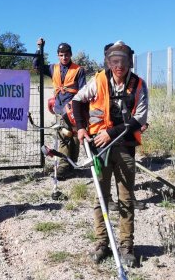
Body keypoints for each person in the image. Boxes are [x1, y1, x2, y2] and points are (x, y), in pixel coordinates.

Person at [71, 40, 148, 267]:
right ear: (108, 62)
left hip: (124, 147)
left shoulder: (139, 85)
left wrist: (110, 132)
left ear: (129, 62)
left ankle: (126, 247)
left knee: (126, 199)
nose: (118, 66)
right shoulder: (99, 80)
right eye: (114, 61)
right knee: (101, 198)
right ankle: (101, 243)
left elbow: (139, 120)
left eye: (122, 61)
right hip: (100, 148)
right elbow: (77, 100)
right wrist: (81, 128)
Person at [33, 38, 86, 180]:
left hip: (73, 109)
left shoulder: (79, 70)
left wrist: (78, 108)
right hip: (59, 109)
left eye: (66, 54)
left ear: (71, 55)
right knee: (64, 137)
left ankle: (71, 165)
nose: (64, 57)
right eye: (61, 55)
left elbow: (83, 91)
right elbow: (37, 66)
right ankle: (63, 167)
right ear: (58, 55)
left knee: (74, 138)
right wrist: (39, 48)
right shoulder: (53, 68)